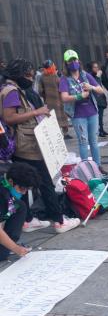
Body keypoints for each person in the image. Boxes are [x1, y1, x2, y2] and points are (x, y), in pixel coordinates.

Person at [0, 58, 80, 233]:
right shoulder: (12, 91)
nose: (30, 77)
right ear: (19, 74)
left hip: (20, 143)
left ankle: (27, 220)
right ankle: (59, 221)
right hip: (27, 144)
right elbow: (9, 117)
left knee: (22, 182)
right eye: (27, 74)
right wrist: (37, 111)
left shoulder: (9, 88)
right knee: (44, 182)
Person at [59, 49, 104, 167]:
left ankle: (97, 166)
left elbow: (101, 90)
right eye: (70, 61)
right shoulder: (64, 79)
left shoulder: (85, 75)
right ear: (65, 63)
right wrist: (79, 96)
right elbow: (64, 97)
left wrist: (91, 88)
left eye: (74, 59)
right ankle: (85, 168)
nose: (73, 62)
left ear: (78, 60)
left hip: (92, 113)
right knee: (83, 142)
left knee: (94, 142)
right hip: (78, 115)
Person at [0, 162, 40, 261]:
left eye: (27, 189)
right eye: (22, 188)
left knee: (19, 206)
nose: (24, 192)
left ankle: (6, 244)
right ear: (11, 181)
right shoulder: (2, 195)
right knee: (2, 255)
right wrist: (15, 248)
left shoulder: (6, 180)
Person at [39, 60, 71, 139]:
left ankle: (56, 134)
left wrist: (45, 97)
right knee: (63, 115)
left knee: (53, 117)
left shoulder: (42, 77)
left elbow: (40, 90)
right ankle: (65, 133)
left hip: (49, 101)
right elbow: (62, 87)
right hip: (59, 100)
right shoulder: (55, 76)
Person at [86, 61, 108, 138]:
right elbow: (95, 87)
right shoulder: (90, 76)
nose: (97, 69)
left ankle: (102, 129)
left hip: (100, 98)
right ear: (91, 68)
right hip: (96, 99)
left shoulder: (96, 75)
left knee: (101, 116)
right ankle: (99, 130)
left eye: (97, 67)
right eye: (95, 67)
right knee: (98, 116)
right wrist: (98, 77)